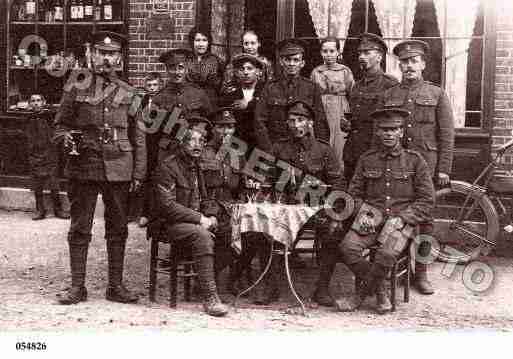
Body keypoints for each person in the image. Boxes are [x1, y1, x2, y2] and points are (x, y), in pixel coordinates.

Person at [53, 31, 147, 305]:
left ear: (119, 58)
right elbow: (59, 125)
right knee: (80, 227)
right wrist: (66, 138)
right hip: (85, 165)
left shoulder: (129, 92)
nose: (106, 58)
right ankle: (77, 287)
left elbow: (138, 136)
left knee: (118, 228)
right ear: (92, 55)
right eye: (102, 53)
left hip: (119, 165)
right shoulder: (76, 86)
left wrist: (138, 173)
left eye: (112, 54)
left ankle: (115, 286)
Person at [335, 108, 435, 314]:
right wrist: (364, 215)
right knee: (347, 248)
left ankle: (360, 295)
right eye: (384, 129)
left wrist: (402, 219)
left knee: (387, 253)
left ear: (401, 132)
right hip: (371, 221)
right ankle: (380, 291)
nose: (389, 133)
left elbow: (427, 200)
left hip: (401, 225)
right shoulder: (366, 159)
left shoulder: (415, 160)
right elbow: (352, 195)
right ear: (377, 132)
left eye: (394, 129)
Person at [254, 100, 345, 305]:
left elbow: (338, 183)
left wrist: (331, 208)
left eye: (301, 120)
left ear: (311, 123)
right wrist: (267, 196)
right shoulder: (279, 148)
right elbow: (268, 180)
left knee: (333, 233)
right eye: (292, 120)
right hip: (286, 209)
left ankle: (322, 288)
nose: (296, 125)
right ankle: (271, 286)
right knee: (266, 230)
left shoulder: (324, 150)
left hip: (316, 210)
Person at [383, 40, 455, 295]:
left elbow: (447, 135)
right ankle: (396, 267)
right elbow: (382, 131)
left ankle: (421, 274)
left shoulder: (437, 94)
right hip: (398, 165)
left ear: (423, 64)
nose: (409, 66)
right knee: (398, 216)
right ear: (399, 65)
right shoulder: (390, 95)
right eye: (404, 61)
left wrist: (444, 169)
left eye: (414, 61)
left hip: (427, 165)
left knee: (425, 221)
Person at [152, 116, 229, 317]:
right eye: (192, 141)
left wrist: (211, 216)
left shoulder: (196, 166)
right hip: (168, 224)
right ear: (181, 143)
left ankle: (203, 283)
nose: (197, 145)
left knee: (230, 231)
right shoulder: (167, 166)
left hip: (193, 222)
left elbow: (206, 199)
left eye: (201, 141)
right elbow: (167, 207)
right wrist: (200, 219)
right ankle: (210, 298)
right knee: (201, 235)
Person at [254, 38, 330, 150]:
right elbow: (259, 121)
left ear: (302, 63)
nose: (291, 64)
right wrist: (269, 150)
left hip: (303, 149)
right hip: (276, 148)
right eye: (288, 60)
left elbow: (320, 122)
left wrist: (319, 151)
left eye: (296, 60)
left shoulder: (311, 88)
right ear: (281, 61)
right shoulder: (270, 87)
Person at [200, 108, 246, 291]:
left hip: (232, 204)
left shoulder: (237, 153)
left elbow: (242, 185)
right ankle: (207, 279)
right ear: (213, 129)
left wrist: (242, 202)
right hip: (209, 204)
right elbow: (198, 186)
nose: (226, 132)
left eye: (230, 127)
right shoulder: (203, 151)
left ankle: (233, 277)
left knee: (253, 232)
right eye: (221, 127)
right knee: (226, 230)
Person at [344, 33, 399, 182]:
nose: (362, 57)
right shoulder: (356, 86)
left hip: (376, 150)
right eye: (360, 53)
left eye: (367, 53)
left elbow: (393, 122)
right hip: (353, 151)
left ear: (379, 57)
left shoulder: (390, 84)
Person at [148, 49, 213, 162]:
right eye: (172, 68)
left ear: (186, 68)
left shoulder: (198, 93)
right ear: (167, 70)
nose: (177, 72)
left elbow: (210, 122)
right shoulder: (159, 98)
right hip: (168, 152)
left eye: (180, 67)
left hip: (194, 150)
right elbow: (153, 134)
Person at [310, 37, 354, 167]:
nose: (328, 55)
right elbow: (311, 94)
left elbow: (352, 93)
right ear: (321, 53)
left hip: (340, 110)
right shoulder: (316, 72)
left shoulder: (345, 71)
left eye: (332, 51)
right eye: (325, 51)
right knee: (322, 142)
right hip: (321, 109)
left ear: (338, 52)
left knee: (339, 146)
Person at [27, 94, 69, 220]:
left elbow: (57, 132)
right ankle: (40, 210)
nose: (36, 103)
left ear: (43, 102)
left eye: (38, 100)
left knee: (53, 182)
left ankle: (58, 209)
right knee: (37, 183)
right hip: (35, 154)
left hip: (50, 153)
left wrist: (53, 146)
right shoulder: (28, 118)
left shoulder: (50, 116)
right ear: (29, 104)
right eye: (33, 101)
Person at [133, 72, 164, 228]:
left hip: (160, 144)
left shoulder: (164, 101)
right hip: (146, 144)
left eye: (155, 85)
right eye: (149, 85)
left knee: (160, 179)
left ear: (160, 86)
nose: (152, 88)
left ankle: (159, 213)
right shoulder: (142, 101)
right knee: (146, 179)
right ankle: (145, 213)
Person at [220, 53, 266, 155]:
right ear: (236, 72)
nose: (246, 72)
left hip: (262, 145)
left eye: (250, 68)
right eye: (242, 69)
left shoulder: (266, 92)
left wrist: (248, 106)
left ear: (258, 72)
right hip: (238, 144)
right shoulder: (229, 95)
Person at [186, 26, 225, 104]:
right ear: (192, 42)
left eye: (204, 40)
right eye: (197, 40)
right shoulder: (186, 59)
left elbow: (221, 85)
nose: (201, 44)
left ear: (208, 42)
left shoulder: (216, 61)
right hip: (189, 99)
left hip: (209, 101)